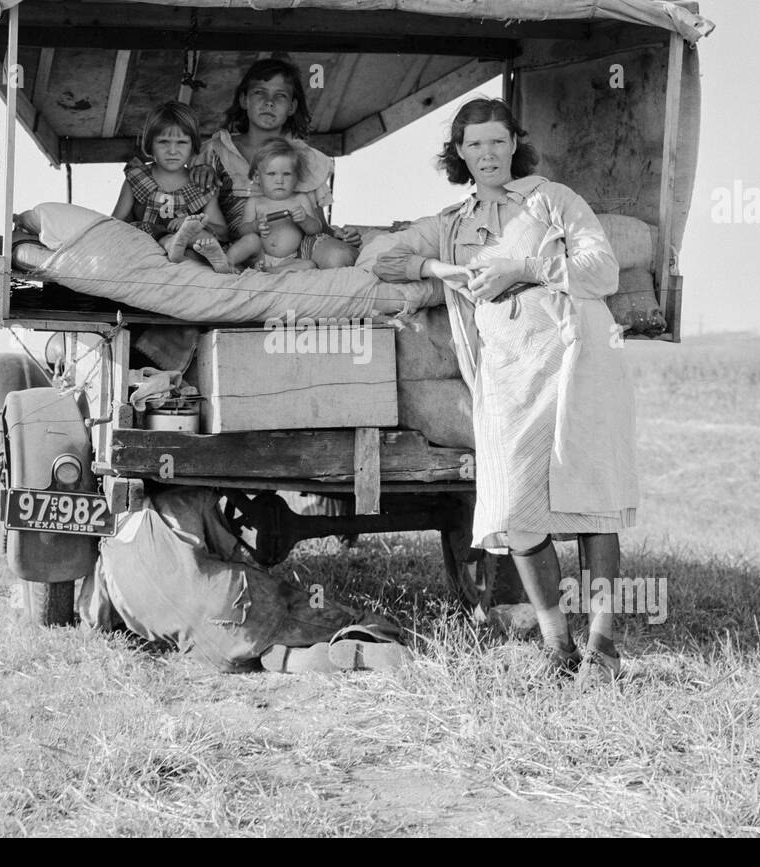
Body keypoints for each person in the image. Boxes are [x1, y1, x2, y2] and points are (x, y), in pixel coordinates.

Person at [371, 98, 638, 686]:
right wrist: (437, 271)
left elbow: (603, 270)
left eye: (496, 141)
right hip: (507, 373)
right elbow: (381, 257)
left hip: (575, 358)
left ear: (514, 143)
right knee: (516, 506)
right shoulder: (452, 222)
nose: (486, 154)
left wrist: (526, 268)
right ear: (459, 154)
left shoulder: (552, 199)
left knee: (590, 495)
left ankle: (603, 645)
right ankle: (556, 645)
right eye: (474, 144)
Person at [189, 58, 360, 270]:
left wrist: (340, 235)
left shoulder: (304, 157)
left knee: (340, 257)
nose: (269, 102)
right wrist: (199, 172)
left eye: (280, 96)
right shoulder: (217, 151)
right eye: (260, 92)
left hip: (299, 249)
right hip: (245, 248)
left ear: (292, 106)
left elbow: (320, 227)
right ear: (244, 100)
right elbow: (193, 205)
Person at [112, 101, 241, 274]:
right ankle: (170, 242)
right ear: (150, 144)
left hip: (187, 252)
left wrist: (196, 223)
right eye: (163, 141)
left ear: (193, 145)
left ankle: (217, 261)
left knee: (203, 238)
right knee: (139, 230)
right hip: (147, 248)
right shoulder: (137, 178)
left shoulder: (201, 185)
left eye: (181, 142)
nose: (172, 150)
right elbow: (116, 223)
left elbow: (223, 232)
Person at [241, 140, 321, 272]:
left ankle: (272, 271)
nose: (280, 180)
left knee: (309, 265)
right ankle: (227, 261)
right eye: (272, 174)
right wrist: (254, 226)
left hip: (288, 259)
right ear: (257, 177)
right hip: (258, 256)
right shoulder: (255, 202)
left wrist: (305, 219)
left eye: (287, 174)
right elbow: (242, 230)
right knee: (249, 241)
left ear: (296, 178)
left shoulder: (300, 200)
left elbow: (316, 229)